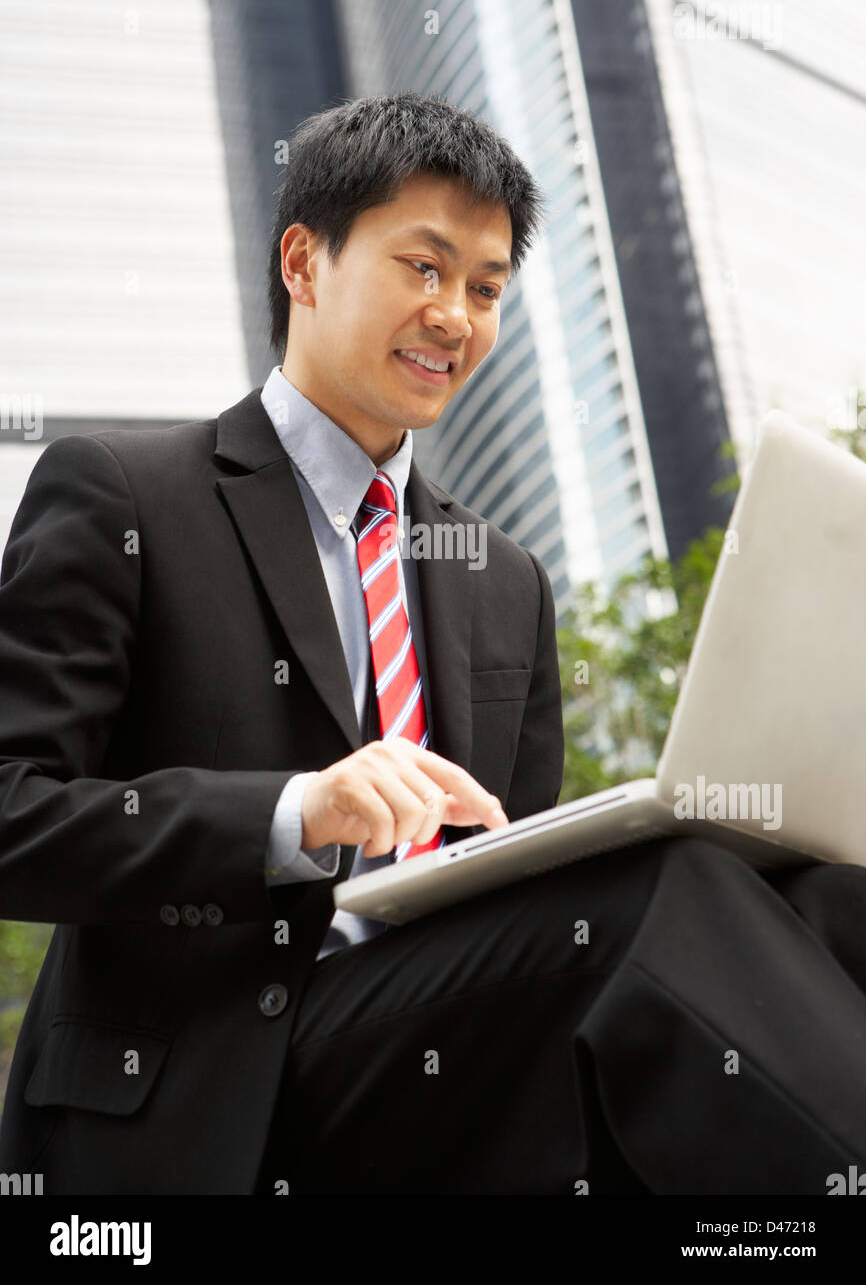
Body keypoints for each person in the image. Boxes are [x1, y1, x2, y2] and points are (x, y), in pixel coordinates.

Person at [1, 92, 865, 1196]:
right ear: (304, 263)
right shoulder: (124, 495)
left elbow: (522, 881)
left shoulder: (505, 581)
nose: (455, 313)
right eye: (424, 266)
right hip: (213, 1086)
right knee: (660, 895)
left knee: (827, 896)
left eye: (486, 287)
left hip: (443, 1053)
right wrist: (291, 812)